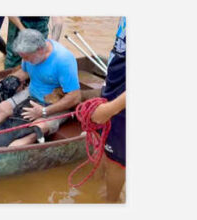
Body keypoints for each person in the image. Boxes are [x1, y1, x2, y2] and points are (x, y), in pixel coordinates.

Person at [0, 29, 81, 150]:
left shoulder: (63, 60)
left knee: (37, 128)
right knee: (3, 107)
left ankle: (8, 152)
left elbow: (75, 97)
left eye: (27, 58)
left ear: (40, 50)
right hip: (32, 92)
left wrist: (44, 111)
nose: (25, 61)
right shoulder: (31, 55)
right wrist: (2, 81)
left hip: (55, 103)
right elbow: (23, 73)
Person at [90, 16, 126, 203]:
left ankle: (111, 203)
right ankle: (104, 189)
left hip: (122, 106)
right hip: (112, 90)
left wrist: (110, 109)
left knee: (117, 162)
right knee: (104, 150)